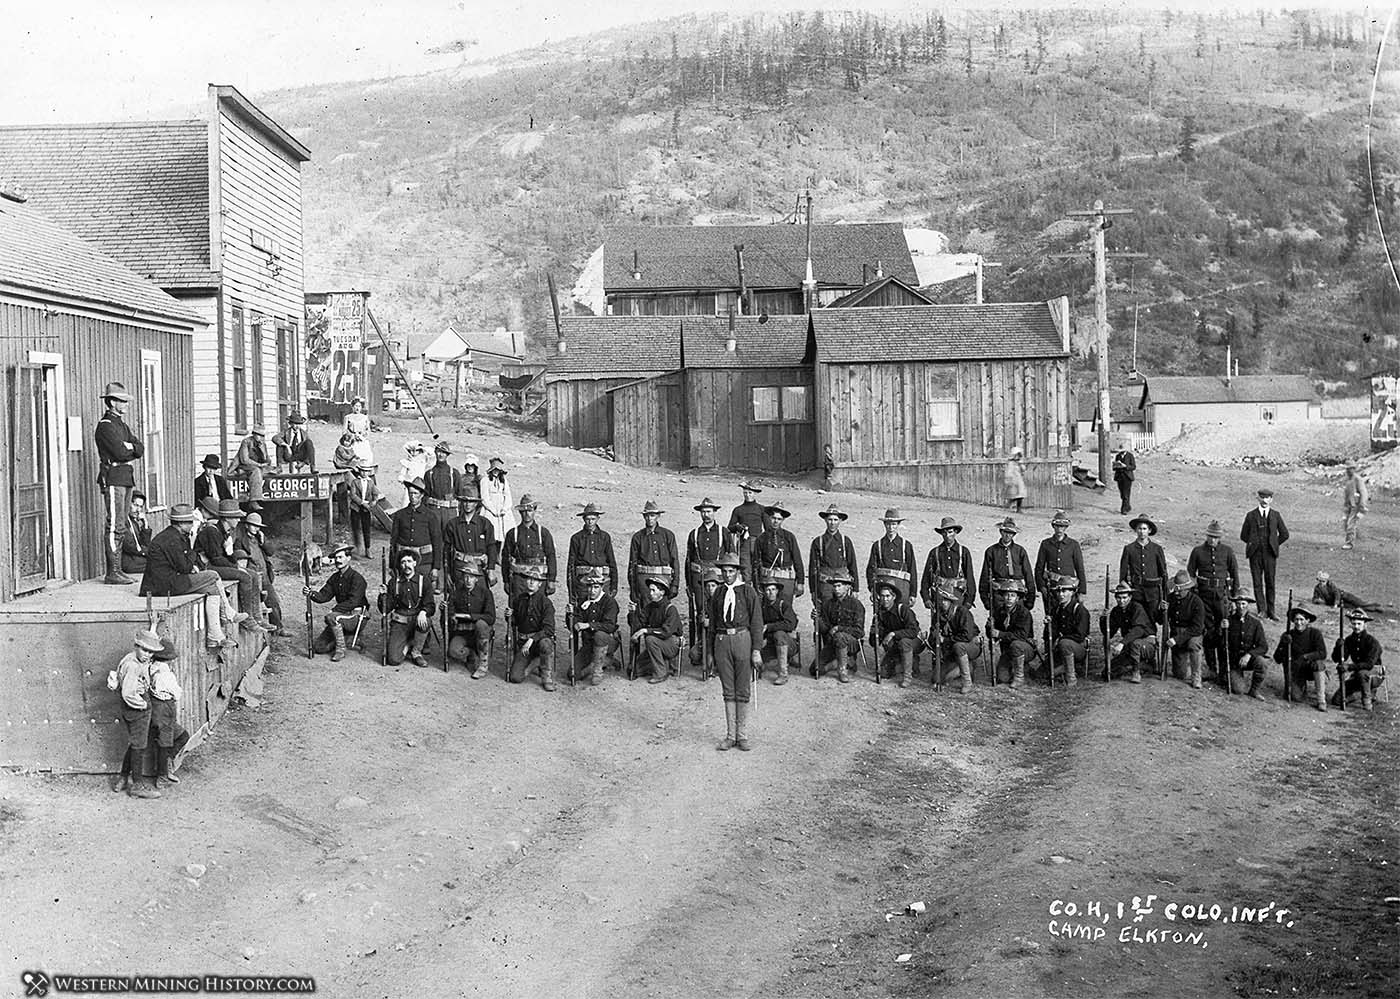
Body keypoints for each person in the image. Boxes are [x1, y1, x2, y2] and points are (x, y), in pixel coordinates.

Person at [139, 504, 243, 653]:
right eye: (189, 522)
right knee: (212, 575)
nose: (192, 524)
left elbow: (185, 563)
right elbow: (185, 567)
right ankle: (227, 613)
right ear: (180, 523)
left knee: (211, 587)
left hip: (168, 580)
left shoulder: (174, 536)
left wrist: (190, 559)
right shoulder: (172, 539)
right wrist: (193, 551)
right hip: (163, 585)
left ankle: (215, 635)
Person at [709, 552, 763, 750]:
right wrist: (710, 652)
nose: (727, 575)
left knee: (743, 688)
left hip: (742, 638)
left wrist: (756, 649)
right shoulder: (718, 593)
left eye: (731, 571)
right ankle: (730, 735)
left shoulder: (748, 592)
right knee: (728, 690)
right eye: (724, 571)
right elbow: (713, 623)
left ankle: (742, 735)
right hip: (722, 640)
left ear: (738, 572)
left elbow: (757, 622)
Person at [95, 381, 144, 584]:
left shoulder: (122, 425)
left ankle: (118, 569)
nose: (126, 404)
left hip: (125, 477)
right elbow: (120, 452)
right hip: (114, 477)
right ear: (113, 402)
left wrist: (130, 446)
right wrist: (128, 447)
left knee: (122, 524)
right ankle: (112, 571)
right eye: (123, 401)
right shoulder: (105, 426)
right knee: (115, 525)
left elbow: (139, 449)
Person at [195, 499, 266, 630]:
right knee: (244, 576)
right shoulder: (212, 531)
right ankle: (248, 619)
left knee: (254, 575)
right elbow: (216, 559)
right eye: (236, 517)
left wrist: (230, 553)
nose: (239, 521)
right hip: (205, 567)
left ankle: (257, 617)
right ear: (227, 518)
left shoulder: (224, 532)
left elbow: (226, 558)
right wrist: (235, 565)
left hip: (216, 564)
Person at [109, 629, 161, 798]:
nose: (148, 654)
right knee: (139, 746)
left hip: (131, 707)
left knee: (135, 743)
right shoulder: (132, 665)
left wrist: (153, 627)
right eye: (145, 650)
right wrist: (144, 705)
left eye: (151, 651)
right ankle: (137, 785)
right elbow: (128, 694)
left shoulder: (131, 657)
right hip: (136, 707)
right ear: (136, 646)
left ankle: (123, 777)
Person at [1187, 520, 1240, 680]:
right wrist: (1193, 594)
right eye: (1210, 536)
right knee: (1208, 632)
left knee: (1223, 630)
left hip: (1221, 597)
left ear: (1220, 537)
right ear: (1206, 535)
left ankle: (1225, 670)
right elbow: (1190, 573)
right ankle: (1212, 668)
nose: (1212, 540)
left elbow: (1235, 574)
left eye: (1216, 537)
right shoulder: (1197, 551)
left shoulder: (1228, 551)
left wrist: (1234, 598)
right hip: (1203, 596)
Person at [304, 544, 370, 661]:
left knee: (331, 617)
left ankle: (340, 650)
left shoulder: (357, 578)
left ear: (348, 558)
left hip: (357, 616)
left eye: (340, 557)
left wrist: (335, 610)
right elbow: (324, 596)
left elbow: (353, 601)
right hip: (341, 615)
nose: (337, 561)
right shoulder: (335, 578)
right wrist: (311, 593)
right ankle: (351, 639)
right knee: (319, 647)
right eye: (336, 558)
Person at [685, 497, 730, 648]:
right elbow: (688, 560)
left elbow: (731, 557)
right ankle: (701, 645)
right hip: (699, 579)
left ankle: (718, 644)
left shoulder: (723, 532)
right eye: (703, 512)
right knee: (701, 610)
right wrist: (689, 584)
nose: (706, 515)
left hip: (717, 579)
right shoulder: (694, 533)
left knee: (719, 609)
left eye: (709, 512)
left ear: (715, 512)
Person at [379, 550, 435, 667]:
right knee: (394, 660)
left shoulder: (424, 581)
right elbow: (386, 609)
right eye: (403, 562)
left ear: (415, 563)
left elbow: (430, 605)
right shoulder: (394, 582)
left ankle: (416, 652)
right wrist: (383, 596)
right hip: (400, 622)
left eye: (409, 561)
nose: (406, 565)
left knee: (426, 621)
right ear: (400, 565)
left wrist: (423, 612)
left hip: (417, 621)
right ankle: (410, 643)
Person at [237, 512, 289, 637]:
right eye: (253, 525)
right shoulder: (240, 540)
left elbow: (271, 552)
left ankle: (278, 628)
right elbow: (239, 558)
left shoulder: (259, 538)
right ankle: (263, 631)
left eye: (258, 526)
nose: (256, 528)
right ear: (247, 525)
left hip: (264, 575)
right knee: (257, 603)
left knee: (273, 601)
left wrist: (263, 541)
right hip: (252, 576)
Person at [1240, 488, 1289, 621]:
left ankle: (1271, 611)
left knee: (1270, 582)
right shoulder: (1251, 515)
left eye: (1267, 498)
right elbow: (1244, 535)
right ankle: (1262, 610)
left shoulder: (1276, 515)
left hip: (1270, 554)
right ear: (1258, 498)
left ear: (1271, 500)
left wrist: (1274, 544)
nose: (1264, 500)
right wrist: (1253, 543)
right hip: (1255, 554)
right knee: (1257, 583)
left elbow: (1285, 534)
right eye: (1262, 497)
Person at [147, 643, 190, 788]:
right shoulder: (165, 674)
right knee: (168, 742)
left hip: (156, 707)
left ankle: (166, 767)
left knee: (172, 738)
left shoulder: (150, 666)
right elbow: (177, 693)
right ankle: (162, 776)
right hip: (164, 707)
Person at [389, 476, 443, 589]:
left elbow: (437, 542)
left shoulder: (430, 516)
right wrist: (392, 565)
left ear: (422, 495)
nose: (412, 497)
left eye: (416, 494)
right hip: (403, 561)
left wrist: (436, 567)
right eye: (410, 493)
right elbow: (393, 542)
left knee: (423, 592)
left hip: (424, 561)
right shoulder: (400, 515)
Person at [508, 565, 556, 689]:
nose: (531, 582)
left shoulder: (545, 602)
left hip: (538, 642)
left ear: (540, 584)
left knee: (546, 643)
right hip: (524, 644)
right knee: (515, 677)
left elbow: (549, 629)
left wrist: (532, 639)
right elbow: (516, 622)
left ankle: (546, 676)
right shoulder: (519, 600)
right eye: (529, 578)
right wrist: (509, 616)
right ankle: (536, 661)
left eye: (535, 580)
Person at [747, 501, 804, 606]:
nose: (776, 521)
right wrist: (756, 584)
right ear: (769, 518)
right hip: (767, 578)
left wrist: (800, 582)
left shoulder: (789, 537)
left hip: (786, 579)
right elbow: (756, 563)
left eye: (779, 519)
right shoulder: (761, 538)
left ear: (782, 520)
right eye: (773, 518)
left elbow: (797, 560)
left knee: (785, 607)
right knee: (767, 608)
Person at [1274, 605, 1329, 711]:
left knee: (1319, 664)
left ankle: (1321, 700)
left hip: (1310, 667)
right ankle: (1302, 688)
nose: (1299, 623)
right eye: (1296, 619)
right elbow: (1277, 658)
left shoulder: (1315, 633)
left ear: (1308, 621)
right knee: (1296, 697)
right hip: (1296, 670)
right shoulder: (1287, 635)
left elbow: (1322, 653)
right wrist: (1284, 645)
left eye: (1302, 620)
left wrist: (1306, 657)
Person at [627, 499, 680, 607]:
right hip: (643, 580)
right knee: (645, 609)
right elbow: (632, 565)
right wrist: (633, 589)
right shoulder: (638, 537)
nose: (649, 518)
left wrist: (675, 584)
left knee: (662, 607)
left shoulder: (668, 535)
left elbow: (675, 561)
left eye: (652, 515)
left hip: (664, 578)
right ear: (644, 517)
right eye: (647, 516)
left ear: (658, 516)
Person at [931, 579, 981, 693]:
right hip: (951, 649)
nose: (943, 602)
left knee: (959, 646)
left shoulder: (962, 612)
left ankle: (967, 681)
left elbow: (967, 636)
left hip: (970, 646)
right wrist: (935, 637)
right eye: (940, 600)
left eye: (946, 600)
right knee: (936, 678)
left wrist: (946, 640)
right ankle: (962, 667)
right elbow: (933, 634)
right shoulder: (937, 616)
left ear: (951, 601)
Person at [630, 576, 683, 683]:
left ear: (662, 592)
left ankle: (661, 673)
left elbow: (665, 632)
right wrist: (632, 613)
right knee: (634, 670)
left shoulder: (670, 609)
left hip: (671, 643)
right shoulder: (650, 607)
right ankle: (665, 664)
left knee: (650, 639)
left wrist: (646, 631)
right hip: (658, 642)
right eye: (650, 590)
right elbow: (638, 624)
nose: (650, 593)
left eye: (653, 590)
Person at [502, 494, 557, 597]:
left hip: (538, 578)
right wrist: (506, 580)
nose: (527, 514)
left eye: (530, 511)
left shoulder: (543, 533)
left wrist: (551, 580)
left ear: (535, 511)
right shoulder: (513, 533)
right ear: (520, 512)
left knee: (538, 608)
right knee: (518, 608)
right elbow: (505, 558)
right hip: (519, 579)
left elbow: (551, 557)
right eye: (523, 511)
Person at [446, 562, 495, 678]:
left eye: (472, 577)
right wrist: (448, 612)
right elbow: (450, 613)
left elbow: (491, 617)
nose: (468, 580)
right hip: (462, 633)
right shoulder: (455, 593)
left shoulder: (485, 593)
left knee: (481, 624)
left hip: (479, 633)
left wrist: (472, 617)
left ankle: (483, 665)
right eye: (466, 576)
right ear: (462, 577)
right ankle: (471, 653)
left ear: (476, 579)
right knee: (453, 651)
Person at [570, 570, 619, 686]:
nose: (592, 591)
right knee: (573, 674)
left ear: (601, 587)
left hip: (607, 642)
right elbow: (575, 624)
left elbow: (610, 626)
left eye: (596, 587)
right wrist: (570, 616)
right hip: (589, 645)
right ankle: (604, 662)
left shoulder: (609, 602)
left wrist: (589, 625)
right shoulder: (583, 602)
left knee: (599, 635)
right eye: (589, 587)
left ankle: (598, 671)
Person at [815, 571, 865, 683]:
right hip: (833, 643)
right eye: (834, 586)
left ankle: (842, 670)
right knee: (815, 669)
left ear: (847, 587)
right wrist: (817, 620)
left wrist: (839, 628)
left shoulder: (856, 605)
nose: (836, 589)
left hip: (851, 643)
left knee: (840, 636)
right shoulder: (828, 604)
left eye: (839, 586)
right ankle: (841, 662)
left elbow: (859, 632)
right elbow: (826, 629)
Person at [978, 517, 1037, 612]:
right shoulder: (991, 551)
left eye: (1011, 533)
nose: (1007, 535)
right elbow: (985, 577)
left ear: (1014, 534)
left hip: (1017, 591)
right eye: (1005, 532)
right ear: (1001, 532)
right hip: (999, 593)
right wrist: (985, 599)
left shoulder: (1020, 551)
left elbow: (1028, 574)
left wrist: (1031, 598)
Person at [809, 503, 859, 613]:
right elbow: (813, 568)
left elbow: (853, 566)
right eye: (830, 519)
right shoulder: (818, 542)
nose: (832, 523)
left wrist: (855, 588)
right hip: (825, 584)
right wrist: (813, 590)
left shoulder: (846, 541)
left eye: (835, 520)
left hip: (842, 582)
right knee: (825, 610)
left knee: (843, 609)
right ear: (825, 520)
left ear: (840, 521)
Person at [1119, 514, 1168, 626]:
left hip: (1153, 593)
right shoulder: (1129, 549)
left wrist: (1164, 596)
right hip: (1137, 592)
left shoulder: (1157, 549)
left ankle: (1152, 641)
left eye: (1144, 529)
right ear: (1136, 530)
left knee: (1152, 619)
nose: (1142, 532)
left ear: (1149, 530)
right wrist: (1129, 589)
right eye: (1139, 528)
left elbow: (1163, 574)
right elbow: (1122, 577)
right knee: (1137, 619)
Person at [988, 579, 1036, 689]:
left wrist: (1000, 634)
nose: (1009, 598)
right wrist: (990, 627)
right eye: (1007, 595)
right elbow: (993, 634)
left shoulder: (1024, 613)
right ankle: (1023, 668)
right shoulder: (999, 612)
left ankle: (1019, 678)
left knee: (1016, 644)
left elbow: (1021, 636)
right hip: (1008, 651)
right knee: (1002, 678)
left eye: (1013, 595)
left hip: (1025, 648)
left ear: (1018, 598)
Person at [871, 580, 920, 687]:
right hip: (895, 643)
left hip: (912, 641)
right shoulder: (880, 613)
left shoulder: (902, 609)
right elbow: (874, 639)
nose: (885, 599)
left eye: (888, 596)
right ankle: (900, 662)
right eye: (882, 596)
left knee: (904, 642)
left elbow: (914, 631)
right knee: (883, 673)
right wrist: (875, 634)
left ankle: (907, 676)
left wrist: (893, 634)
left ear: (894, 597)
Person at [1331, 608, 1384, 710]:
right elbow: (1338, 659)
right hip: (1357, 674)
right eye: (1354, 623)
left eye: (1359, 624)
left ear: (1365, 624)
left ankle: (1367, 701)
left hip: (1375, 675)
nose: (1356, 626)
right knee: (1336, 700)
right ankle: (1363, 694)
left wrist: (1349, 667)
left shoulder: (1372, 642)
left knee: (1362, 673)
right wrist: (1338, 647)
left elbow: (1369, 664)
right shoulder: (1349, 640)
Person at [1104, 581, 1155, 684]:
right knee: (1108, 671)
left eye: (1124, 598)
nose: (1121, 601)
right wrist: (1104, 618)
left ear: (1130, 597)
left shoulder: (1137, 608)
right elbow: (1110, 632)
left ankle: (1136, 672)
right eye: (1119, 598)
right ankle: (1142, 666)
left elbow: (1138, 630)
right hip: (1129, 645)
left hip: (1147, 643)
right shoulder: (1116, 611)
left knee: (1135, 643)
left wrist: (1121, 644)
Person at [566, 502, 618, 602]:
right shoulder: (576, 538)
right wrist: (571, 589)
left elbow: (612, 562)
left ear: (598, 519)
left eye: (593, 519)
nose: (590, 522)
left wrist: (614, 586)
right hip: (583, 581)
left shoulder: (604, 537)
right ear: (583, 519)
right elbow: (571, 565)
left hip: (603, 580)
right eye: (588, 519)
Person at [444, 496, 498, 591]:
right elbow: (447, 550)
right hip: (460, 568)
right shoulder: (453, 524)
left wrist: (491, 569)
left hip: (479, 568)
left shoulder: (485, 523)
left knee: (480, 597)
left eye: (471, 501)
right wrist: (447, 572)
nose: (467, 504)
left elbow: (491, 547)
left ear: (476, 504)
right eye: (465, 501)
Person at [922, 517, 976, 610]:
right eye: (944, 532)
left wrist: (969, 601)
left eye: (950, 532)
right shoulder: (935, 552)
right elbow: (926, 577)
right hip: (939, 595)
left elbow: (970, 578)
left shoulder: (964, 552)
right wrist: (926, 598)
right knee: (938, 623)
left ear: (955, 532)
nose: (947, 535)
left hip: (958, 595)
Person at [1046, 574, 1090, 686]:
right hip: (1061, 648)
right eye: (1059, 592)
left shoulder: (1080, 610)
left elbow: (1080, 635)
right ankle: (1063, 668)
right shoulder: (1057, 610)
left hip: (1078, 648)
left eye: (1065, 591)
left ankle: (1071, 678)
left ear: (1072, 592)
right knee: (1043, 673)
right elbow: (1051, 634)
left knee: (1065, 643)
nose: (1061, 595)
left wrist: (1061, 639)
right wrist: (1048, 625)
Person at [1165, 569, 1207, 689]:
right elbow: (1160, 619)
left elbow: (1197, 628)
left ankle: (1196, 676)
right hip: (1176, 633)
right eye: (1176, 590)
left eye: (1180, 590)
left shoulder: (1196, 602)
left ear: (1187, 589)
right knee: (1180, 674)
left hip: (1192, 634)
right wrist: (1162, 609)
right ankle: (1187, 667)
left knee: (1194, 644)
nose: (1177, 593)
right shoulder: (1170, 598)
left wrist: (1176, 639)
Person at [866, 508, 917, 608]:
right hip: (884, 591)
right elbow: (870, 570)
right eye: (888, 524)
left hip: (902, 589)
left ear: (898, 525)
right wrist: (873, 589)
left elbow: (912, 570)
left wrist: (913, 593)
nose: (891, 527)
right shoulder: (878, 545)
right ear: (884, 525)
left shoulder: (906, 545)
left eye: (894, 524)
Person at [1226, 591, 1270, 701]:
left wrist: (1249, 655)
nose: (1241, 607)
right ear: (1235, 605)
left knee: (1262, 662)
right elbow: (1218, 643)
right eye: (1238, 604)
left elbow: (1263, 647)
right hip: (1234, 661)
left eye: (1243, 604)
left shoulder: (1255, 623)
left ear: (1248, 605)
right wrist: (1222, 629)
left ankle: (1254, 690)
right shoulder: (1228, 621)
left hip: (1248, 659)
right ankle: (1227, 676)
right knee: (1238, 690)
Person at [1034, 510, 1086, 602]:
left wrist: (1081, 591)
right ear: (1053, 526)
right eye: (1057, 526)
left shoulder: (1073, 545)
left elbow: (1080, 568)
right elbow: (1039, 568)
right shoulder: (1046, 544)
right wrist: (1042, 587)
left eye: (1062, 526)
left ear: (1066, 527)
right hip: (1052, 587)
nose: (1059, 529)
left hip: (1069, 587)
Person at [758, 573, 798, 685]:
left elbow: (790, 624)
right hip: (771, 644)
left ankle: (783, 674)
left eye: (773, 589)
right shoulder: (762, 606)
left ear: (777, 591)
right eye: (768, 590)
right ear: (764, 591)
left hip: (789, 644)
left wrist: (769, 627)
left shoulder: (783, 605)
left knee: (779, 634)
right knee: (761, 663)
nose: (770, 593)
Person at [726, 480, 767, 565]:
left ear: (754, 494)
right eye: (745, 493)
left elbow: (768, 528)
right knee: (745, 566)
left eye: (750, 493)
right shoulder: (738, 510)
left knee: (758, 565)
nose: (747, 495)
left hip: (757, 541)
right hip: (743, 542)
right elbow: (729, 527)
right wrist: (738, 527)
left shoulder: (761, 509)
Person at [423, 440, 461, 531]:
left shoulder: (454, 473)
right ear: (435, 452)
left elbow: (459, 494)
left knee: (450, 538)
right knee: (434, 537)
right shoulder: (429, 474)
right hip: (434, 511)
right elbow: (425, 495)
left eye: (444, 453)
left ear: (447, 455)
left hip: (450, 512)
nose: (441, 455)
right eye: (439, 451)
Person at [347, 460, 381, 557]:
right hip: (356, 508)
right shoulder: (355, 482)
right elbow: (353, 495)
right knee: (356, 528)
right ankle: (357, 548)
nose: (364, 473)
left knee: (366, 529)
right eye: (362, 471)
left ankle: (367, 549)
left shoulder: (371, 482)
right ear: (359, 471)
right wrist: (362, 503)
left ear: (369, 472)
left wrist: (374, 501)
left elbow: (376, 493)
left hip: (366, 509)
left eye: (366, 471)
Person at [233, 426, 273, 504]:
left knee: (273, 470)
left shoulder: (262, 443)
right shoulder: (246, 442)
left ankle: (266, 496)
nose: (261, 437)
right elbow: (244, 460)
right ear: (254, 434)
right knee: (256, 471)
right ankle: (254, 499)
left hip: (257, 466)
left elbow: (267, 459)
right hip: (245, 465)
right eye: (259, 435)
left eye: (262, 436)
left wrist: (263, 453)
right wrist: (259, 465)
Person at [1311, 571, 1384, 613]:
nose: (1321, 583)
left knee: (1360, 603)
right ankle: (1374, 609)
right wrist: (1319, 601)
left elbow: (1337, 593)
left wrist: (1335, 604)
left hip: (1344, 596)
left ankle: (1376, 605)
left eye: (1323, 581)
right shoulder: (1317, 588)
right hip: (1338, 603)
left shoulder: (1330, 585)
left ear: (1326, 580)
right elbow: (1314, 598)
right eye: (1320, 581)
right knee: (1354, 608)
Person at [481, 457, 516, 545]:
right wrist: (493, 510)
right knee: (491, 534)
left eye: (498, 470)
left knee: (504, 535)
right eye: (494, 469)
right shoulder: (485, 480)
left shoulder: (503, 481)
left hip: (502, 511)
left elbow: (508, 496)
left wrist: (505, 509)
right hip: (490, 510)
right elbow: (485, 498)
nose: (496, 471)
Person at [121, 491, 153, 576]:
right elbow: (130, 546)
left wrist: (145, 524)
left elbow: (145, 544)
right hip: (129, 562)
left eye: (140, 507)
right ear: (128, 504)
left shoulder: (134, 522)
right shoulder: (124, 522)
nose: (138, 510)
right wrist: (149, 552)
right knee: (158, 564)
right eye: (135, 505)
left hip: (137, 558)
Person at [1341, 462, 1368, 551]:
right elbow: (1346, 495)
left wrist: (1362, 508)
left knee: (1350, 523)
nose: (1348, 471)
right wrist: (1345, 507)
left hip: (1356, 506)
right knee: (1346, 523)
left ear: (1353, 469)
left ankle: (1349, 543)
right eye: (1347, 469)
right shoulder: (1348, 480)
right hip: (1349, 505)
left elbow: (1363, 494)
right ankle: (1358, 537)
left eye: (1350, 469)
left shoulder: (1358, 479)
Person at [398, 440, 428, 507]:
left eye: (416, 451)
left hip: (421, 485)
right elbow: (402, 474)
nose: (413, 453)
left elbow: (431, 455)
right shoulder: (407, 462)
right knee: (406, 503)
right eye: (411, 451)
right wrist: (403, 479)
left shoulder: (423, 461)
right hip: (410, 485)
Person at [1112, 447, 1136, 515]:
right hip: (1119, 477)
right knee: (1122, 494)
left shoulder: (1130, 455)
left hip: (1127, 477)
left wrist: (1125, 466)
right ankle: (1128, 506)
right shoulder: (1118, 456)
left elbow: (1133, 466)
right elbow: (1114, 468)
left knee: (1126, 494)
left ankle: (1124, 509)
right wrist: (1116, 465)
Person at [1003, 446, 1027, 512]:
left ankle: (1018, 508)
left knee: (1021, 495)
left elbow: (1023, 469)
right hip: (1013, 481)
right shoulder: (1010, 463)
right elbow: (1008, 472)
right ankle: (1008, 504)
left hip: (1019, 480)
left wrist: (1021, 464)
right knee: (1014, 495)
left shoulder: (1019, 463)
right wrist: (1009, 480)